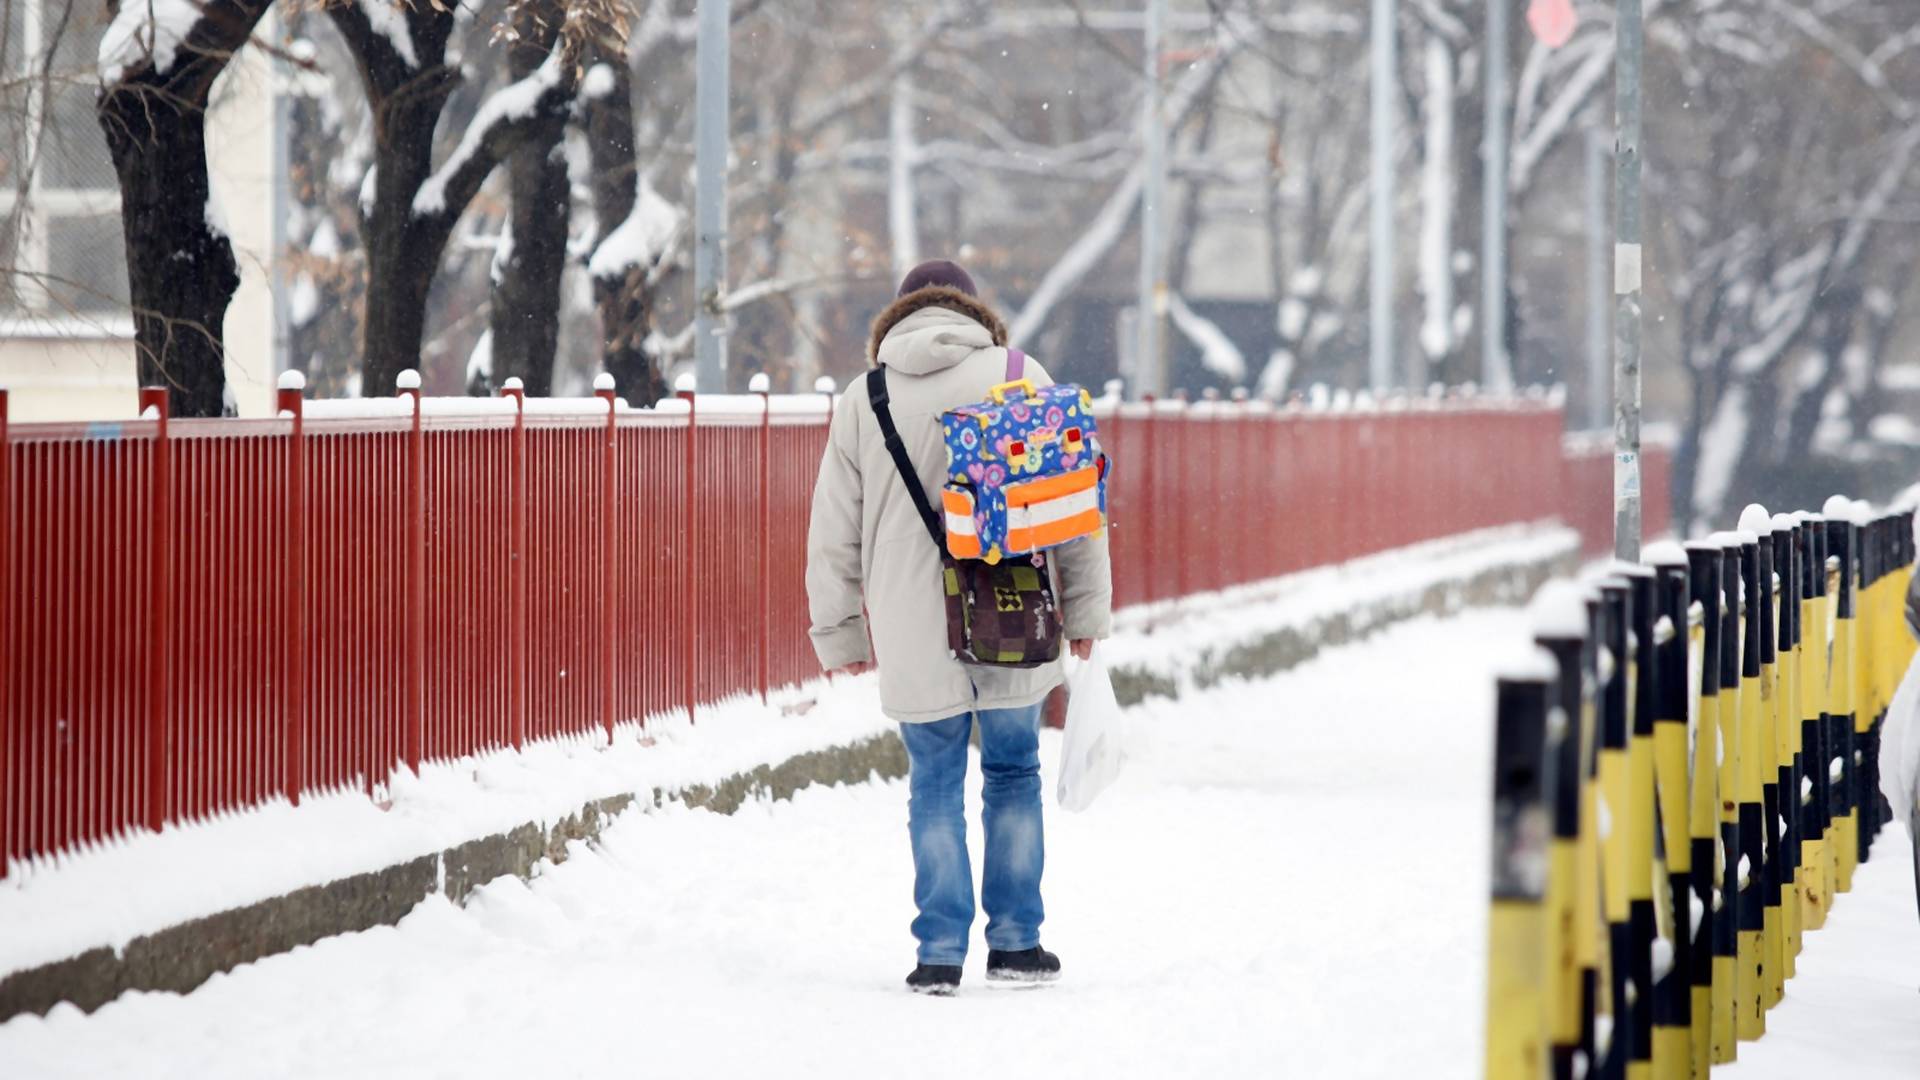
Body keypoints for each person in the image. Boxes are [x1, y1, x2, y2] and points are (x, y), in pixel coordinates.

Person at [805, 260, 1113, 995]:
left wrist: (840, 630)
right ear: (971, 312)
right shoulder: (1018, 373)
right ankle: (1015, 944)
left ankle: (939, 953)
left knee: (934, 785)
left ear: (899, 315)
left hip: (913, 621)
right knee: (1013, 772)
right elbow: (1075, 507)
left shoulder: (864, 397)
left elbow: (832, 529)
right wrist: (1087, 610)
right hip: (1011, 603)